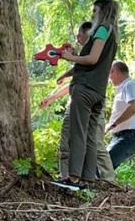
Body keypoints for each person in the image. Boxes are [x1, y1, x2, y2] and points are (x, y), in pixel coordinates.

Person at [53, 0, 119, 190]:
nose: (92, 14)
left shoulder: (101, 28)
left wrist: (70, 57)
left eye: (95, 11)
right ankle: (87, 179)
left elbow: (91, 59)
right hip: (98, 92)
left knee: (77, 133)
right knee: (90, 136)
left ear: (103, 11)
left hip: (85, 89)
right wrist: (69, 68)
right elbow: (95, 60)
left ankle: (72, 178)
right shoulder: (111, 33)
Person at [39, 22, 115, 182]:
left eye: (79, 35)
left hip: (87, 98)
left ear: (89, 34)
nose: (77, 38)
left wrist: (72, 58)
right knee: (73, 140)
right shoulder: (86, 55)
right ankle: (75, 177)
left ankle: (102, 179)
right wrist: (67, 72)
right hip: (82, 99)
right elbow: (77, 77)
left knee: (88, 139)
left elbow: (84, 79)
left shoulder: (96, 52)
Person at [105, 60, 135, 168]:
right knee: (103, 165)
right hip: (120, 136)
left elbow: (134, 106)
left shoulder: (129, 85)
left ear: (116, 72)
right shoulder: (123, 87)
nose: (109, 79)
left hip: (129, 135)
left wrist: (114, 124)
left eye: (109, 74)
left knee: (103, 164)